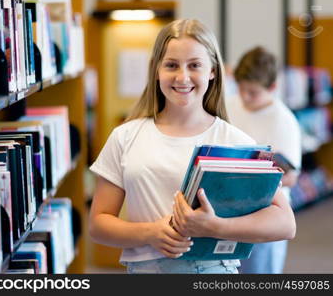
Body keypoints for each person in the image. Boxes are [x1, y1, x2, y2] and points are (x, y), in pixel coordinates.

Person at [89, 19, 296, 274]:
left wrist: (214, 226)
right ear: (156, 70)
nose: (182, 77)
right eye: (171, 65)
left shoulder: (236, 141)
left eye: (195, 65)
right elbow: (98, 225)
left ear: (212, 71)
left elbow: (286, 223)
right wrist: (151, 232)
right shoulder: (125, 136)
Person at [226, 46, 302, 274]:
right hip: (229, 206)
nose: (245, 97)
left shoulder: (285, 121)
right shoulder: (230, 104)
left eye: (253, 92)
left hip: (266, 212)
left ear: (273, 87)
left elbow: (291, 178)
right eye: (241, 89)